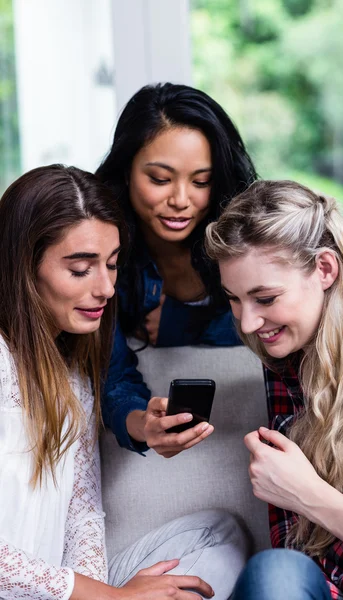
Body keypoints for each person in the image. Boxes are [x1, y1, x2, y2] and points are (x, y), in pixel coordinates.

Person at [0, 164, 249, 599]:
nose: (106, 288)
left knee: (217, 533)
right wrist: (107, 595)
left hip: (75, 594)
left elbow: (82, 513)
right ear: (23, 267)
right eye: (80, 269)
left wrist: (102, 593)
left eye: (112, 265)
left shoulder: (74, 373)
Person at [205, 179, 343, 599]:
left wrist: (307, 495)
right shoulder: (286, 356)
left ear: (325, 269)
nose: (247, 323)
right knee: (276, 570)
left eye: (266, 297)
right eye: (234, 299)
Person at [96, 82, 257, 456]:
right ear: (125, 172)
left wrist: (183, 324)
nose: (181, 201)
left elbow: (289, 318)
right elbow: (111, 377)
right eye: (160, 179)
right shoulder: (102, 249)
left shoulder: (244, 233)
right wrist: (143, 424)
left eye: (201, 181)